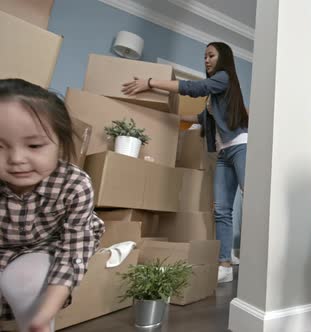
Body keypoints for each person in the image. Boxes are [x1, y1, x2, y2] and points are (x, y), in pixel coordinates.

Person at [121, 42, 249, 283]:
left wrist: (149, 83)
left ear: (223, 58)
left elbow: (193, 87)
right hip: (223, 154)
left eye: (211, 55)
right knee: (221, 210)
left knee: (252, 199)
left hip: (241, 147)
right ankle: (224, 264)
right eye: (204, 57)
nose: (207, 60)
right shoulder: (215, 96)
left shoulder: (224, 78)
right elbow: (201, 118)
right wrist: (168, 116)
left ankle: (261, 256)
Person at [0, 78, 105, 332]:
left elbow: (71, 253)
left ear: (60, 145)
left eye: (34, 145)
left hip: (51, 244)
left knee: (23, 279)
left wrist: (43, 317)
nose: (16, 159)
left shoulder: (73, 184)